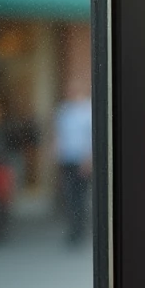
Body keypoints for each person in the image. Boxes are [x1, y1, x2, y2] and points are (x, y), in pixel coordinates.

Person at [53, 79, 93, 247]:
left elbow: (90, 137)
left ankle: (79, 230)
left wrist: (88, 159)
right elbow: (59, 134)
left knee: (80, 196)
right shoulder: (64, 110)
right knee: (70, 196)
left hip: (81, 159)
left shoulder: (88, 110)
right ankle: (72, 230)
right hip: (67, 158)